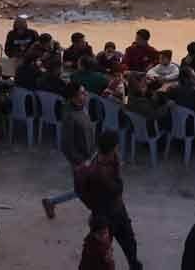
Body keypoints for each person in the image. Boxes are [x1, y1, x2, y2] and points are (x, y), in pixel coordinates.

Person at [76, 131, 144, 270]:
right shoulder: (98, 172)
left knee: (130, 244)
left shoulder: (102, 160)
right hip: (105, 217)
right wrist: (94, 207)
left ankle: (134, 265)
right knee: (100, 253)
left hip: (117, 211)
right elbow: (118, 188)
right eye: (116, 147)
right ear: (112, 148)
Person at [43, 82, 94, 219]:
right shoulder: (70, 117)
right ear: (73, 98)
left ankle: (51, 201)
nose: (86, 95)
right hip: (80, 160)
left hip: (89, 156)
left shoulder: (83, 108)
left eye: (85, 92)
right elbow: (66, 145)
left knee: (83, 189)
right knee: (84, 190)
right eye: (82, 93)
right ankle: (98, 214)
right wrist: (78, 163)